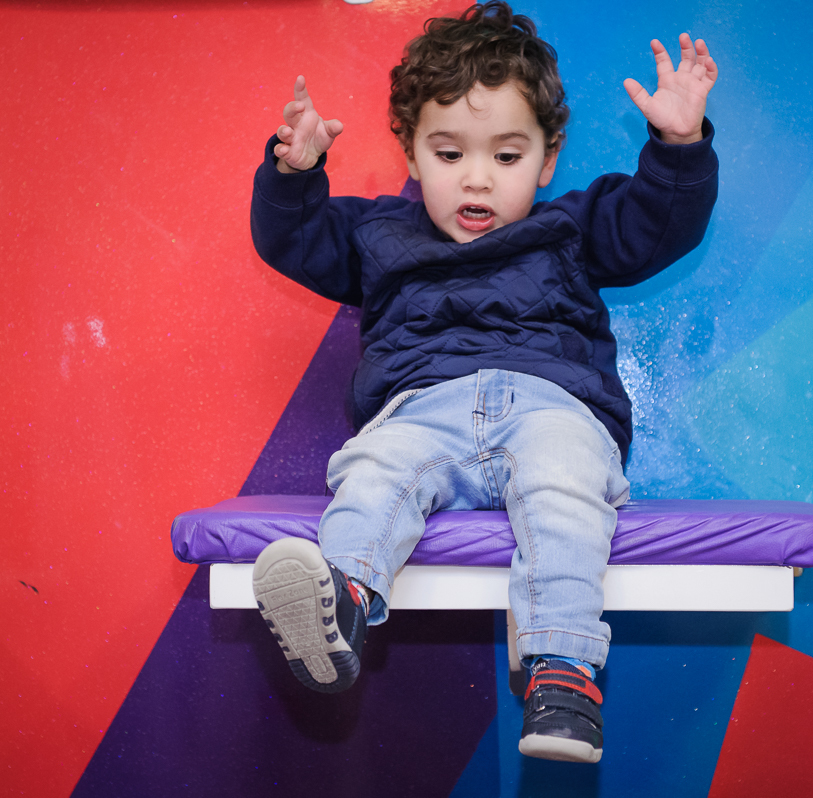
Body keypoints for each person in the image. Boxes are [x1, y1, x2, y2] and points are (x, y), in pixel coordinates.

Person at [248, 0, 718, 764]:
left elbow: (660, 223)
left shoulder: (573, 224)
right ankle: (340, 608)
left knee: (566, 487)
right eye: (448, 153)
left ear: (548, 158)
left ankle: (562, 674)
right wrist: (294, 175)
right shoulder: (377, 235)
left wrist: (678, 143)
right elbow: (293, 238)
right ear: (409, 152)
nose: (477, 179)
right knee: (372, 469)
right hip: (419, 412)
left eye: (506, 156)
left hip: (551, 409)